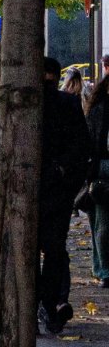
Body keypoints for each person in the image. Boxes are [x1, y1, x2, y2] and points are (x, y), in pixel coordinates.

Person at [0, 57, 90, 336]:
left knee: (30, 250)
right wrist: (65, 178)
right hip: (53, 193)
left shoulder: (9, 102)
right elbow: (82, 150)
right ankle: (47, 304)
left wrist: (5, 173)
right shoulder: (64, 104)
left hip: (33, 191)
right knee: (53, 251)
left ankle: (41, 304)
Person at [84, 74, 109, 289]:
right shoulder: (100, 109)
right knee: (102, 222)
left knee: (101, 223)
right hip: (102, 169)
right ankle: (103, 269)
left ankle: (102, 268)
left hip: (99, 169)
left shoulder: (96, 108)